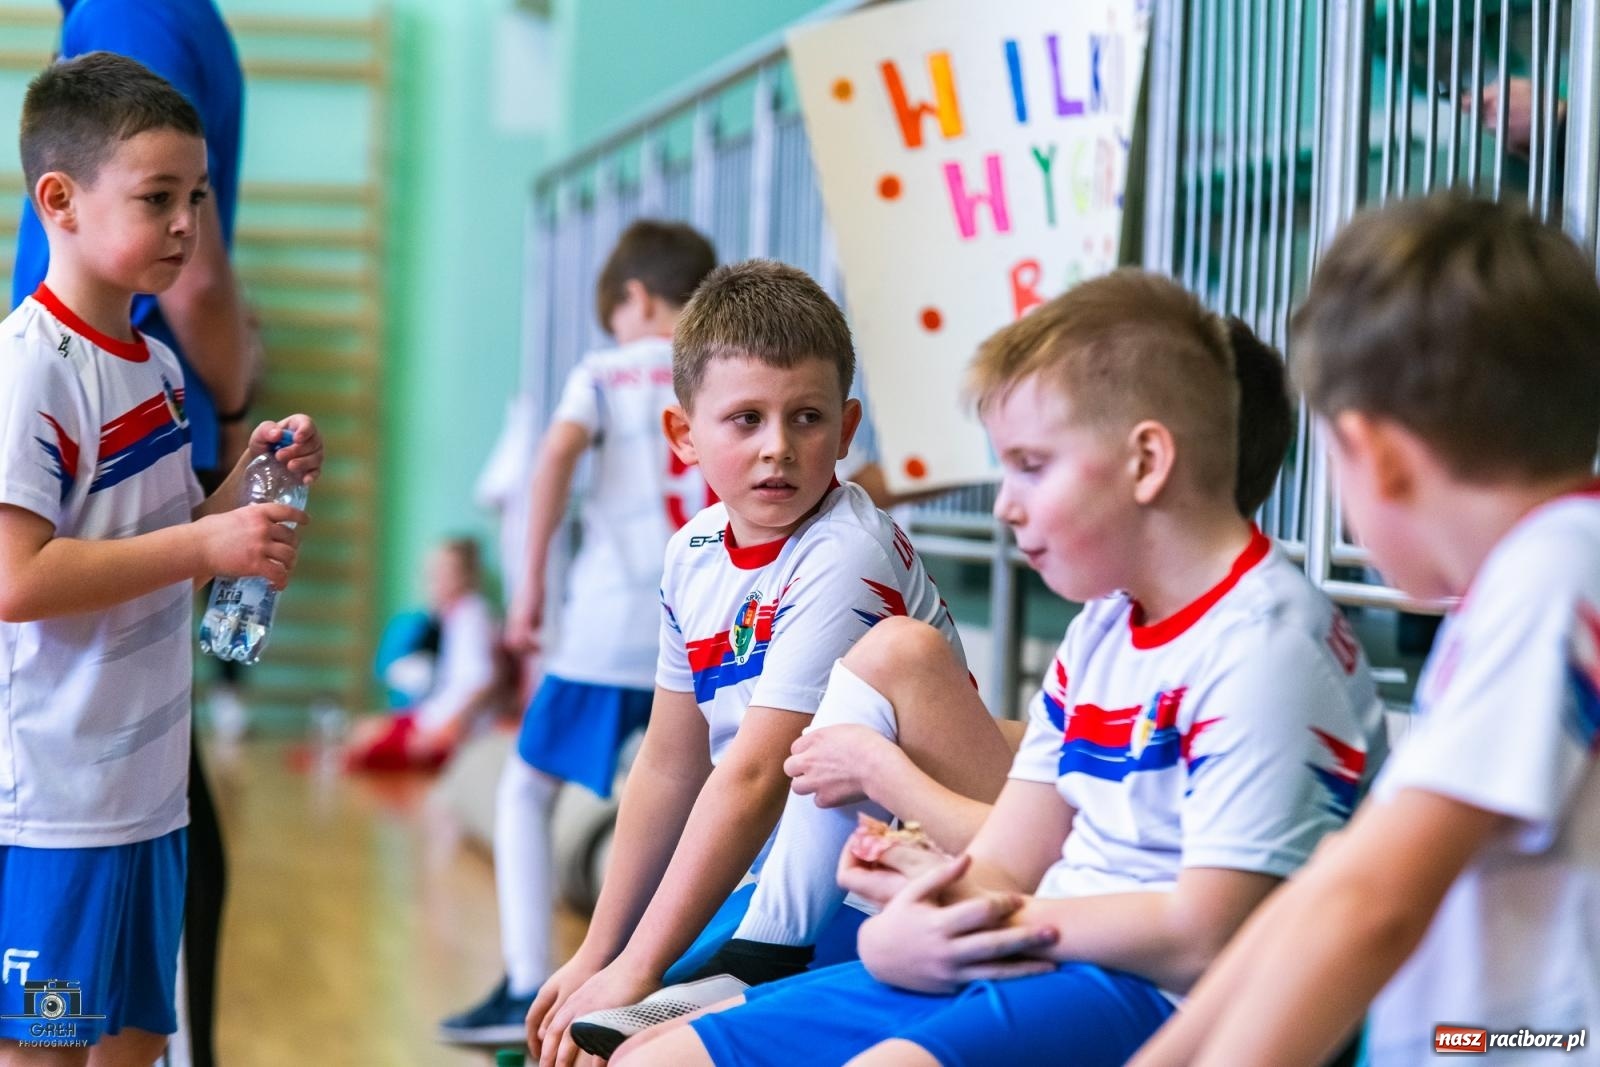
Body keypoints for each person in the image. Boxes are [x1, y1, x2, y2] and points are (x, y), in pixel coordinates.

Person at [613, 269, 1386, 1067]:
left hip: (1150, 992)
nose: (1003, 505)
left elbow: (1208, 935)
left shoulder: (1267, 645)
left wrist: (980, 906)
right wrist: (917, 911)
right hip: (1036, 946)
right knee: (651, 1059)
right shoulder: (1101, 629)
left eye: (1031, 465)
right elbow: (1011, 856)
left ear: (1146, 460)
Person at [1133, 197, 1600, 1066]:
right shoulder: (1535, 577)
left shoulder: (1554, 574)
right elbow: (1333, 887)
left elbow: (1372, 906)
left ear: (1373, 453)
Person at [526, 260, 1004, 1067]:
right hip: (784, 881)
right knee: (595, 1030)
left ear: (848, 430)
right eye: (745, 419)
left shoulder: (843, 549)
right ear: (685, 435)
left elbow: (753, 776)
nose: (778, 448)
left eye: (807, 418)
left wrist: (636, 968)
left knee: (637, 1045)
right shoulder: (693, 553)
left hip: (888, 879)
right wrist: (599, 953)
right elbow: (670, 764)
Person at [0, 52, 322, 1067]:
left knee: (139, 1038)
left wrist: (250, 491)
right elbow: (17, 577)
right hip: (53, 802)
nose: (188, 223)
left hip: (148, 793)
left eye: (197, 196)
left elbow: (159, 545)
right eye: (157, 198)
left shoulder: (159, 365)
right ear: (59, 200)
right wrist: (206, 536)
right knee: (43, 1051)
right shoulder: (28, 372)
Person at [438, 221, 719, 1045]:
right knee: (698, 802)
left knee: (525, 789)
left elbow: (556, 451)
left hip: (611, 625)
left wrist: (529, 585)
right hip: (707, 621)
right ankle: (671, 985)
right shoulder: (718, 365)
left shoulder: (603, 370)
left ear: (634, 299)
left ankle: (527, 979)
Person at [345, 537, 505, 772]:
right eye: (431, 573)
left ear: (466, 576)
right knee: (360, 732)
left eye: (443, 572)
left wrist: (448, 730)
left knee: (363, 748)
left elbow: (483, 681)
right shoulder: (453, 617)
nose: (433, 581)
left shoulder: (472, 616)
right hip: (435, 716)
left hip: (450, 726)